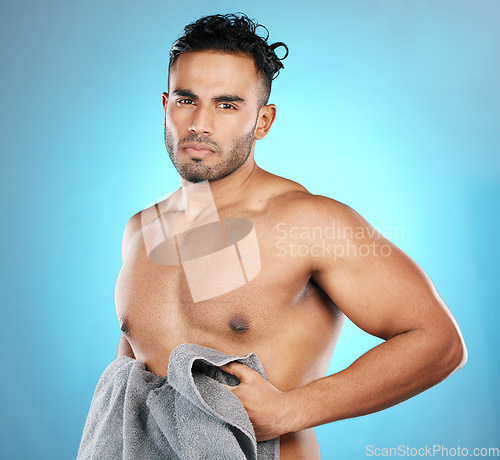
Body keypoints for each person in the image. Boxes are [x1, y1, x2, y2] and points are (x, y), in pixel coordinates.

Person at [114, 13, 466, 459]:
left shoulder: (309, 221)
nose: (200, 123)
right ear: (166, 104)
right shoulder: (140, 231)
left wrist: (288, 410)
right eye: (187, 100)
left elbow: (438, 343)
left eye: (227, 104)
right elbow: (127, 396)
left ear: (262, 121)